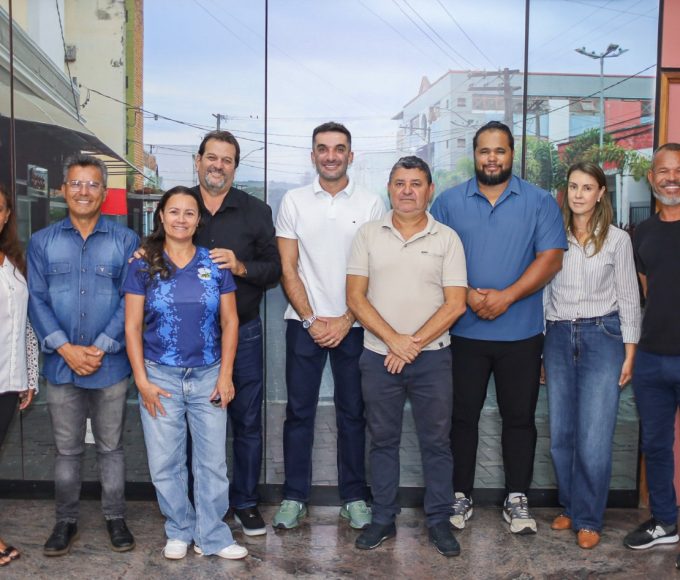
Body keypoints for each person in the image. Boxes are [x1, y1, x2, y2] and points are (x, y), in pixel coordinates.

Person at [431, 120, 566, 534]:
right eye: (484, 151)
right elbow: (431, 255)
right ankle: (460, 494)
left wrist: (506, 296)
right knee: (461, 418)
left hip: (521, 334)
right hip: (462, 332)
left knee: (520, 419)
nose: (492, 158)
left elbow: (551, 258)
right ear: (474, 155)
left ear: (512, 154)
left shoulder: (540, 202)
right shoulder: (449, 202)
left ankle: (517, 498)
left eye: (500, 150)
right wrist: (468, 296)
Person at [346, 156, 467, 556]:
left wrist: (409, 343)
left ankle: (439, 521)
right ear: (389, 188)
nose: (407, 191)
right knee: (382, 440)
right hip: (379, 357)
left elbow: (455, 304)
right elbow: (355, 297)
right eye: (400, 183)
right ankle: (383, 518)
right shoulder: (368, 234)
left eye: (416, 183)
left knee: (437, 442)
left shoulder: (447, 238)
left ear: (429, 190)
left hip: (432, 358)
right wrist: (393, 341)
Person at [124, 186, 247, 560]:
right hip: (159, 377)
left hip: (208, 375)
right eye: (174, 211)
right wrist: (142, 381)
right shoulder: (142, 264)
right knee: (165, 462)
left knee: (212, 462)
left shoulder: (215, 263)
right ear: (161, 216)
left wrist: (225, 375)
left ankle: (212, 535)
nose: (181, 219)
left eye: (189, 213)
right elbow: (132, 327)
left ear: (198, 220)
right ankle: (178, 529)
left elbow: (230, 321)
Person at [274, 121, 385, 529]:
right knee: (298, 412)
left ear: (351, 156)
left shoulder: (371, 204)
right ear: (313, 156)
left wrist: (346, 319)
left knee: (352, 413)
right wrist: (311, 319)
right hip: (303, 323)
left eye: (339, 149)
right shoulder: (294, 201)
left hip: (355, 326)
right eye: (323, 148)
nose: (331, 156)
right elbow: (288, 268)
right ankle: (293, 497)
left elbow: (376, 270)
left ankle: (354, 497)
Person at [28, 155, 139, 556]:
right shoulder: (41, 242)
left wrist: (101, 347)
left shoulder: (126, 240)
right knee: (67, 450)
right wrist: (65, 348)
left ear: (104, 193)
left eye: (92, 184)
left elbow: (131, 298)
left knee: (111, 447)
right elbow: (36, 300)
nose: (83, 191)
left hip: (110, 365)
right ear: (63, 190)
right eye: (76, 183)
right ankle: (65, 522)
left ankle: (116, 518)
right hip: (62, 365)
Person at [543, 162, 641, 549]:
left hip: (604, 337)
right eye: (573, 186)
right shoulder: (554, 237)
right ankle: (569, 505)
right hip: (558, 335)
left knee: (594, 435)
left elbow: (629, 298)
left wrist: (630, 352)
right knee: (561, 434)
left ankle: (588, 518)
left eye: (587, 187)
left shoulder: (617, 240)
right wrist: (541, 349)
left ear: (601, 193)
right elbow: (545, 293)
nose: (579, 194)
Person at [192, 130, 281, 536]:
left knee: (246, 420)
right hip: (189, 337)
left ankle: (245, 502)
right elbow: (157, 250)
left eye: (226, 160)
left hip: (242, 332)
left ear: (235, 167)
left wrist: (241, 266)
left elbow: (274, 269)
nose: (218, 166)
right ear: (198, 161)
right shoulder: (180, 205)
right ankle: (199, 503)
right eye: (212, 157)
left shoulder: (255, 211)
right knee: (193, 423)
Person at [624, 142, 680, 551]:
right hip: (652, 358)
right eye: (664, 170)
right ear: (651, 177)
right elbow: (646, 293)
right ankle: (665, 521)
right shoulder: (642, 233)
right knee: (656, 446)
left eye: (678, 170)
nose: (672, 178)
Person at [0, 184, 39, 567]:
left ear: (7, 215)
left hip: (7, 381)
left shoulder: (12, 262)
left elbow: (24, 325)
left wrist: (28, 374)